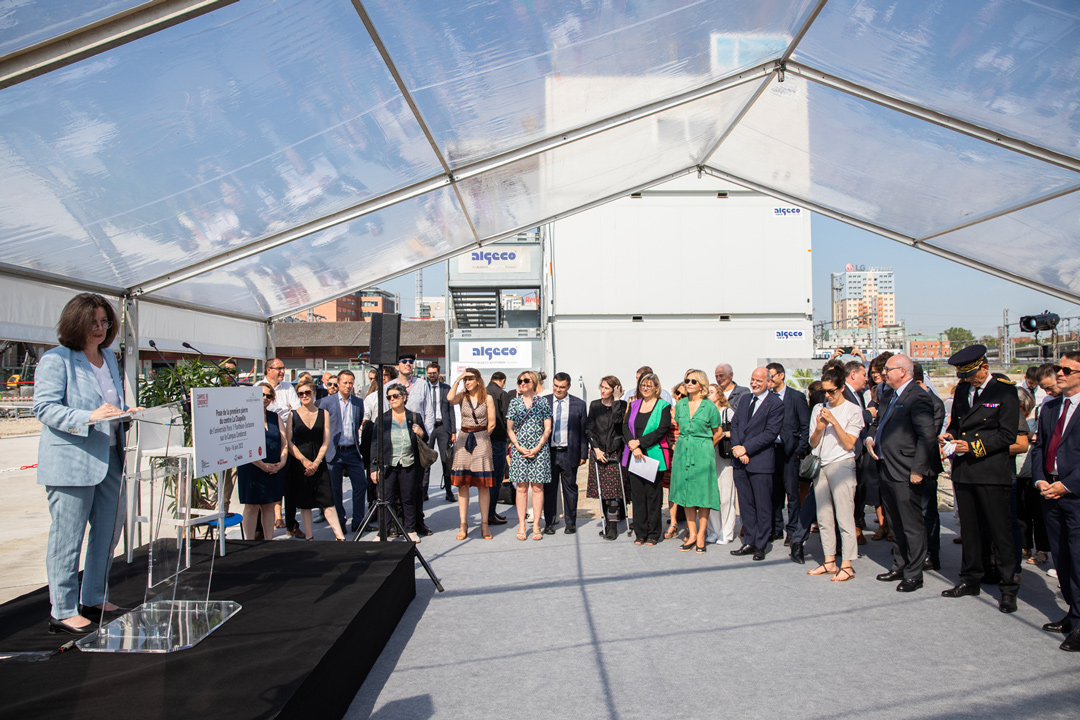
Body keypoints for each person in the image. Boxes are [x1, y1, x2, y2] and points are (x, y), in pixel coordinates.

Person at [33, 293, 136, 634]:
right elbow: (45, 408)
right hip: (72, 461)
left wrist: (127, 414)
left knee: (109, 530)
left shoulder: (109, 358)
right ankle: (62, 609)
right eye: (93, 321)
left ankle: (93, 596)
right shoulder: (56, 359)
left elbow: (112, 405)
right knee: (68, 536)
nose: (100, 328)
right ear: (76, 322)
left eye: (105, 322)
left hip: (110, 454)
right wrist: (88, 416)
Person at [939, 345, 1021, 612]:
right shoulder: (963, 390)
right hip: (965, 470)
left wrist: (971, 446)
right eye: (963, 375)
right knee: (971, 531)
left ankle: (1008, 587)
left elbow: (1007, 435)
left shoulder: (1005, 391)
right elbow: (957, 424)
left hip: (991, 470)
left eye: (971, 374)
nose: (966, 379)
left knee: (1000, 532)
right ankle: (970, 578)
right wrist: (950, 436)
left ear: (984, 367)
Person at [865, 355, 936, 593]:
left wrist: (918, 469)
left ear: (903, 372)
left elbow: (927, 437)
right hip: (886, 467)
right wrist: (869, 437)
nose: (883, 373)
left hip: (906, 471)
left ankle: (914, 574)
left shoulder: (918, 398)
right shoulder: (888, 395)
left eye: (887, 369)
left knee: (911, 525)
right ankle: (900, 564)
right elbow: (878, 423)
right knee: (894, 522)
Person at [1030, 352, 1080, 652]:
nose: (1058, 374)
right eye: (1058, 368)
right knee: (1061, 558)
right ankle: (1073, 612)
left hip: (1074, 495)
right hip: (1050, 492)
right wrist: (1040, 479)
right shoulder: (1050, 407)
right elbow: (1039, 448)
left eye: (1066, 369)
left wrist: (1067, 485)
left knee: (1078, 560)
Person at [806, 368, 864, 582]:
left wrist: (834, 422)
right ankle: (829, 561)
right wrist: (820, 428)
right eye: (824, 391)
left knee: (844, 515)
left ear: (842, 388)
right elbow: (812, 443)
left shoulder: (852, 410)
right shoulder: (818, 409)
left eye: (831, 391)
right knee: (823, 517)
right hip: (821, 464)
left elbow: (849, 443)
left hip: (842, 464)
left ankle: (847, 564)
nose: (827, 396)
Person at [729, 368, 784, 561]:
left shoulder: (775, 404)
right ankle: (749, 541)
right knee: (745, 505)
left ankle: (761, 544)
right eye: (752, 379)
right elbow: (735, 424)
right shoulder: (745, 399)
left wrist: (746, 449)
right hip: (740, 461)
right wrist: (736, 447)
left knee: (762, 505)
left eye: (759, 380)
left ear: (769, 382)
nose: (754, 383)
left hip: (760, 462)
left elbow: (770, 433)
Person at [362, 385, 429, 543]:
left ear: (404, 397)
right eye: (389, 397)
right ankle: (382, 532)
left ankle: (411, 530)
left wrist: (421, 433)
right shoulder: (382, 419)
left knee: (408, 498)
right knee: (386, 499)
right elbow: (375, 444)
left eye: (395, 396)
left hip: (409, 462)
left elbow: (424, 439)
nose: (392, 399)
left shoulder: (414, 416)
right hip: (388, 465)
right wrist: (373, 468)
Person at [669, 369, 722, 553]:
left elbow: (718, 432)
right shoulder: (680, 405)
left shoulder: (709, 407)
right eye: (686, 381)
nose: (688, 383)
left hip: (702, 453)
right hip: (683, 452)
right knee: (687, 494)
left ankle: (701, 535)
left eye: (693, 381)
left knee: (703, 495)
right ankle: (691, 534)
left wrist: (705, 447)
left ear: (702, 385)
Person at [288, 380, 345, 541]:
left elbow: (326, 440)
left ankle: (339, 536)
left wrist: (317, 461)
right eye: (301, 393)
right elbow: (289, 442)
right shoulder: (292, 415)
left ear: (314, 393)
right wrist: (304, 461)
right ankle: (309, 536)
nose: (305, 396)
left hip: (319, 462)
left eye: (308, 392)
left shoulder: (323, 413)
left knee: (327, 500)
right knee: (304, 502)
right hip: (300, 464)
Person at [385, 353, 435, 535]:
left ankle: (418, 522)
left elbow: (429, 411)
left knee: (417, 486)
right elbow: (385, 415)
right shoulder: (389, 387)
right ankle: (397, 523)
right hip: (396, 444)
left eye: (410, 362)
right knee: (397, 487)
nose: (408, 364)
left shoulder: (422, 384)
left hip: (417, 441)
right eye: (404, 362)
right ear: (397, 365)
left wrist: (424, 437)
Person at [622, 372, 672, 546]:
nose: (645, 388)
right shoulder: (634, 404)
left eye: (649, 386)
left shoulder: (663, 406)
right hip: (634, 456)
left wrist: (639, 444)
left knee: (653, 496)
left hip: (653, 456)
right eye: (643, 385)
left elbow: (661, 430)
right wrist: (632, 446)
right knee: (637, 496)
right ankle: (640, 533)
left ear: (656, 388)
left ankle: (653, 533)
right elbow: (625, 427)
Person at [447, 368, 496, 540]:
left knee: (483, 484)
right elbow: (449, 398)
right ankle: (463, 525)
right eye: (465, 379)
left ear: (478, 380)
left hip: (482, 438)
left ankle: (484, 525)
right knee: (463, 484)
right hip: (463, 439)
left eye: (470, 379)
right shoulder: (462, 396)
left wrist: (482, 439)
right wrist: (457, 379)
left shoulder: (487, 398)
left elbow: (492, 423)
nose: (467, 382)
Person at [766, 362, 810, 545]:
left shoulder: (796, 397)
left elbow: (805, 426)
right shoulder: (767, 398)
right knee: (774, 493)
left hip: (789, 452)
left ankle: (792, 530)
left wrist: (799, 450)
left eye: (772, 376)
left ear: (781, 376)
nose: (770, 380)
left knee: (792, 493)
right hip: (770, 451)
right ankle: (776, 528)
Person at [239, 382, 289, 541]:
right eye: (262, 394)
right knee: (251, 506)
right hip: (251, 467)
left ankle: (269, 541)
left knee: (269, 505)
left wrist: (281, 463)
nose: (265, 398)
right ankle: (249, 541)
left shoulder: (276, 417)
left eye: (269, 395)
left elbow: (284, 442)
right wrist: (261, 465)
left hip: (273, 467)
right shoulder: (244, 416)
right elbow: (243, 444)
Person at [507, 371, 552, 541]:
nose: (522, 383)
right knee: (521, 488)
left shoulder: (542, 402)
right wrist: (517, 446)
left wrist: (538, 446)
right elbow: (510, 428)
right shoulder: (514, 403)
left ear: (533, 382)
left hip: (539, 450)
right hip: (520, 451)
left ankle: (536, 525)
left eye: (526, 380)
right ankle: (521, 524)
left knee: (538, 488)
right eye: (520, 381)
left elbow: (547, 427)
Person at [319, 369, 366, 533]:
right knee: (335, 489)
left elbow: (358, 422)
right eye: (345, 383)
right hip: (334, 451)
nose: (348, 386)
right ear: (338, 383)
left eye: (351, 383)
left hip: (352, 451)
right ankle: (340, 520)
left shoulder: (358, 402)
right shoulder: (326, 402)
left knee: (361, 485)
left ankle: (358, 521)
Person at [544, 372, 589, 534]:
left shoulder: (579, 404)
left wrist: (583, 454)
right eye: (556, 386)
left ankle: (571, 522)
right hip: (549, 453)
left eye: (562, 387)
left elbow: (584, 431)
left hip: (570, 453)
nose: (558, 390)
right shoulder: (544, 402)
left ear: (568, 387)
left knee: (570, 488)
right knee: (549, 489)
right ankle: (549, 522)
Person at [586, 376, 627, 540]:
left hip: (615, 452)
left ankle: (612, 527)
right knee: (603, 492)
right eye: (601, 387)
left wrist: (617, 400)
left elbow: (618, 423)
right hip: (599, 451)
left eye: (607, 388)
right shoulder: (595, 405)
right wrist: (596, 449)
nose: (603, 390)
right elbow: (589, 429)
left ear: (615, 390)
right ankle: (608, 525)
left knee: (613, 493)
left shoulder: (622, 405)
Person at [913, 363, 946, 571]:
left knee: (928, 512)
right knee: (915, 511)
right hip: (910, 465)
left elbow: (927, 438)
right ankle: (917, 551)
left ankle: (932, 554)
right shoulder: (910, 400)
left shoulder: (935, 403)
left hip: (926, 466)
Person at [264, 358, 301, 534]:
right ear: (268, 369)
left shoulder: (288, 387)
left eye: (283, 368)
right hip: (267, 439)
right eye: (278, 368)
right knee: (267, 485)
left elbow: (295, 410)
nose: (282, 371)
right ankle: (260, 529)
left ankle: (291, 525)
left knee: (291, 487)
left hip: (288, 437)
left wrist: (284, 410)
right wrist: (284, 410)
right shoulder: (259, 386)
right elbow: (270, 411)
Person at [705, 386, 737, 545]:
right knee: (712, 495)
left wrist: (722, 434)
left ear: (719, 395)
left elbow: (738, 431)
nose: (707, 394)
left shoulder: (727, 412)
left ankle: (726, 531)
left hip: (724, 456)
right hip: (708, 456)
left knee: (726, 496)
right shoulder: (704, 411)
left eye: (710, 392)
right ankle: (713, 530)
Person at [424, 362, 457, 503]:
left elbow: (451, 411)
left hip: (443, 427)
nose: (432, 375)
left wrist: (453, 431)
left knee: (446, 460)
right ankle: (423, 492)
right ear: (427, 373)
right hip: (428, 428)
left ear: (439, 373)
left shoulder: (446, 388)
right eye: (430, 373)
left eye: (434, 372)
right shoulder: (423, 388)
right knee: (425, 460)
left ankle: (449, 492)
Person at [486, 371, 512, 526]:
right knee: (496, 479)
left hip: (483, 439)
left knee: (485, 480)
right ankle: (490, 513)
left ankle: (488, 512)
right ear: (503, 380)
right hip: (498, 439)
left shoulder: (483, 392)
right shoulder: (502, 394)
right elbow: (507, 417)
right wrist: (509, 439)